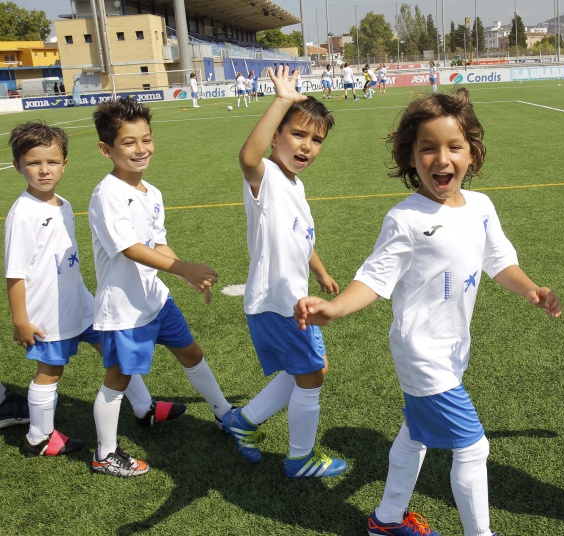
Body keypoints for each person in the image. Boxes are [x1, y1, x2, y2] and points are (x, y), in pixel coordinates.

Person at [294, 88, 562, 536]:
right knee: (473, 449)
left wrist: (532, 289)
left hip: (454, 348)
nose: (442, 158)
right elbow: (374, 279)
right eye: (428, 148)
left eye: (454, 147)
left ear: (472, 153)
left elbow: (499, 262)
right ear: (411, 157)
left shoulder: (480, 206)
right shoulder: (406, 218)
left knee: (415, 435)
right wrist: (334, 309)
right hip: (422, 352)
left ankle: (385, 521)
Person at [5, 121, 184, 459]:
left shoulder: (62, 203)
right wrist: (21, 319)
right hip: (48, 311)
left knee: (114, 354)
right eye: (33, 163)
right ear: (17, 166)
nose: (44, 170)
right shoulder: (23, 213)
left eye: (52, 162)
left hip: (81, 302)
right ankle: (38, 437)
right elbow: (15, 274)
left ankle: (144, 408)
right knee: (50, 371)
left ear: (64, 164)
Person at [88, 98, 233, 477]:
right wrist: (181, 266)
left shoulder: (152, 193)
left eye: (147, 139)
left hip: (155, 300)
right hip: (125, 308)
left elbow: (156, 243)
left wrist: (183, 273)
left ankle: (225, 414)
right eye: (129, 142)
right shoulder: (108, 194)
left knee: (192, 353)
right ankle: (105, 453)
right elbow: (130, 248)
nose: (141, 149)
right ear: (106, 150)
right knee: (118, 378)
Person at [220, 65, 347, 479]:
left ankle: (244, 421)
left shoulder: (294, 183)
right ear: (276, 136)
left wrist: (322, 271)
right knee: (311, 374)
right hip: (277, 302)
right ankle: (300, 458)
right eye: (298, 134)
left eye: (316, 140)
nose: (307, 146)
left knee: (313, 369)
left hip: (295, 299)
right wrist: (281, 101)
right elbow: (247, 156)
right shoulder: (267, 177)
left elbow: (300, 237)